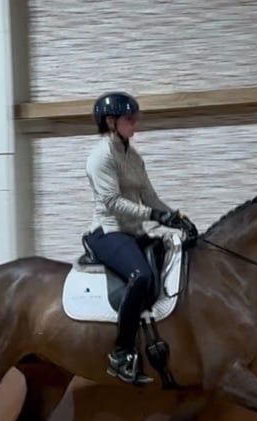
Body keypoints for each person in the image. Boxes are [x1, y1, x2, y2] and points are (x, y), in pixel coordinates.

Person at [82, 91, 183, 386]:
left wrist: (174, 216)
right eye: (130, 119)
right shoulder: (100, 157)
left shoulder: (133, 156)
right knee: (140, 276)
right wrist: (155, 215)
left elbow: (149, 195)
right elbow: (112, 202)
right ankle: (121, 353)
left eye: (135, 118)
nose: (135, 123)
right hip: (107, 231)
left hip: (134, 232)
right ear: (110, 122)